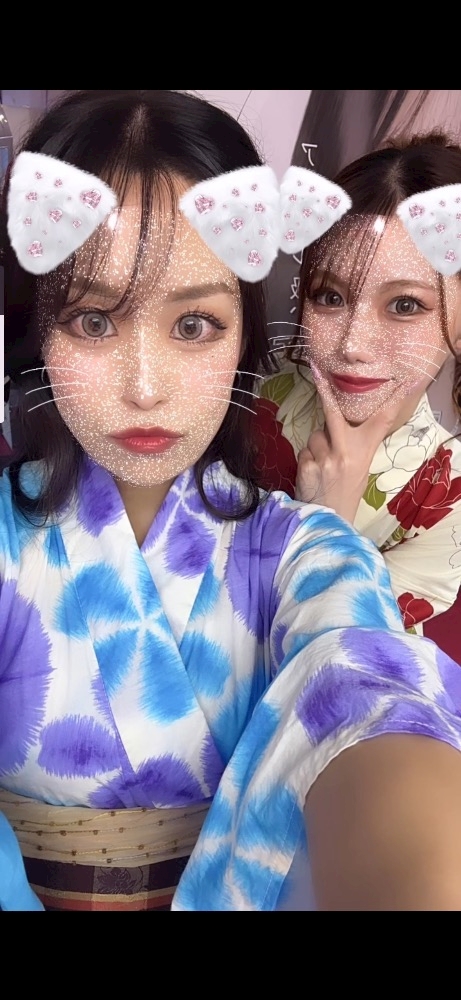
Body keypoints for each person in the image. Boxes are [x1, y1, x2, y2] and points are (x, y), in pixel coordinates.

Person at [3, 93, 461, 913]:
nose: (146, 388)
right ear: (35, 327)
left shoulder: (307, 552)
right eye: (94, 320)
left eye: (194, 325)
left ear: (244, 333)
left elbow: (364, 680)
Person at [255, 132, 461, 643]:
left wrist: (329, 522)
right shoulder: (257, 387)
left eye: (405, 305)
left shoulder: (446, 495)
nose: (352, 344)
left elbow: (348, 662)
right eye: (330, 296)